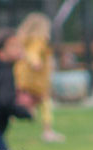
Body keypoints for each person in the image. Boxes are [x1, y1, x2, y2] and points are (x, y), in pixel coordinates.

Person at [0, 29, 33, 150]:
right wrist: (25, 112)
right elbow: (5, 101)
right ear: (0, 53)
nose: (19, 49)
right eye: (13, 46)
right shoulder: (4, 72)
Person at [14, 12, 63, 143]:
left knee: (28, 102)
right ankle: (47, 131)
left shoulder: (24, 40)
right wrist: (36, 62)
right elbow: (33, 53)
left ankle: (26, 116)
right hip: (36, 79)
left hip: (23, 76)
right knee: (45, 102)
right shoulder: (39, 39)